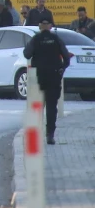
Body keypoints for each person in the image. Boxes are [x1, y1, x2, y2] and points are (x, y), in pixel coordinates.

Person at [24, 17, 71, 145]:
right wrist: (62, 69)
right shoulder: (56, 39)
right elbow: (66, 57)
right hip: (53, 76)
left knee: (36, 107)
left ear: (40, 26)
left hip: (38, 76)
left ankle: (35, 135)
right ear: (50, 26)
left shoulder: (35, 39)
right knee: (51, 107)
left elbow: (27, 54)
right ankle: (50, 134)